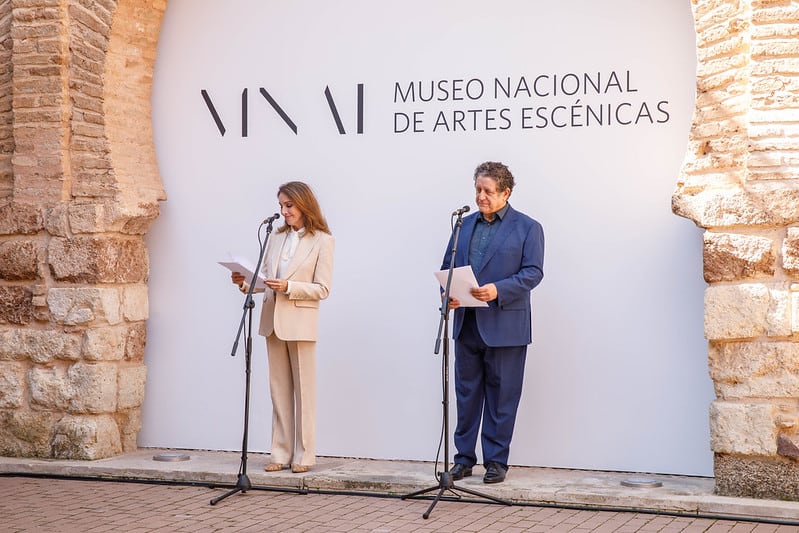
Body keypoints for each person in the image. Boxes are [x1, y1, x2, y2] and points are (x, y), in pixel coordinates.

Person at [440, 161, 544, 484]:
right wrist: (448, 294)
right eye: (478, 189)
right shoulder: (463, 225)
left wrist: (498, 290)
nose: (480, 196)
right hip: (467, 324)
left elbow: (533, 272)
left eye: (487, 191)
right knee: (466, 395)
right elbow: (448, 266)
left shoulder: (528, 228)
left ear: (505, 192)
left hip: (505, 327)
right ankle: (463, 459)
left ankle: (496, 461)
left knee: (502, 398)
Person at [231, 181, 334, 474]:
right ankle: (280, 451)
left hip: (301, 322)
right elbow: (266, 279)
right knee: (278, 391)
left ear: (304, 204)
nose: (284, 211)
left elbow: (323, 288)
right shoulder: (275, 237)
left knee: (304, 393)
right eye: (281, 205)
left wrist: (289, 286)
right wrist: (244, 283)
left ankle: (304, 455)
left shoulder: (323, 240)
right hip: (272, 320)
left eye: (289, 205)